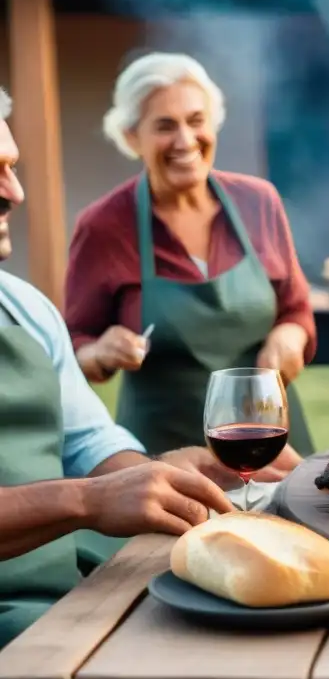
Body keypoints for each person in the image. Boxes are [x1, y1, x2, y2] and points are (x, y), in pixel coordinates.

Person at [0, 86, 259, 649]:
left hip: (73, 579)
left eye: (12, 168)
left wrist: (159, 474)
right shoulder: (107, 224)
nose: (14, 194)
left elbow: (88, 442)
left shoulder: (22, 306)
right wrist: (87, 500)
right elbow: (88, 490)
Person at [63, 52, 317, 464]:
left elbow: (296, 309)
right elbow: (75, 345)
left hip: (273, 445)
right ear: (131, 137)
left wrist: (289, 336)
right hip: (166, 460)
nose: (185, 140)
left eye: (196, 120)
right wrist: (100, 352)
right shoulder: (104, 226)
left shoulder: (259, 201)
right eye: (165, 126)